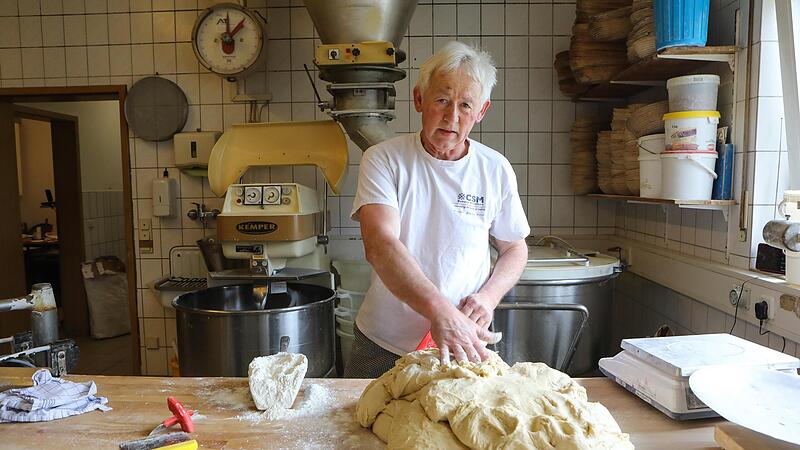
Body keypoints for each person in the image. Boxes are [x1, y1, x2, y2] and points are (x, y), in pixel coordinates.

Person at [344, 41, 530, 378]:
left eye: (465, 105)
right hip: (385, 342)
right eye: (442, 100)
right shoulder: (384, 159)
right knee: (360, 425)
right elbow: (380, 245)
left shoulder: (495, 169)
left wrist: (487, 298)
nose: (451, 117)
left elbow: (514, 247)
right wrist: (440, 311)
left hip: (462, 342)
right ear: (419, 99)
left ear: (482, 111)